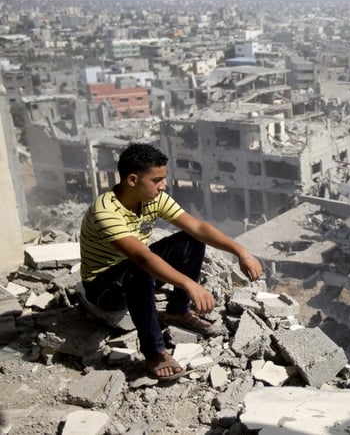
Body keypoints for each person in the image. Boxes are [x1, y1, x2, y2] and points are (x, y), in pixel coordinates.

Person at [79, 143, 263, 381]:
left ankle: (177, 311)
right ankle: (155, 353)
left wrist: (241, 252)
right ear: (133, 180)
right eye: (156, 180)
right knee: (140, 267)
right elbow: (141, 257)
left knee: (191, 240)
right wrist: (189, 284)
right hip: (104, 287)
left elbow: (197, 227)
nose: (163, 185)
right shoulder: (105, 211)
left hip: (135, 270)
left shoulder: (153, 199)